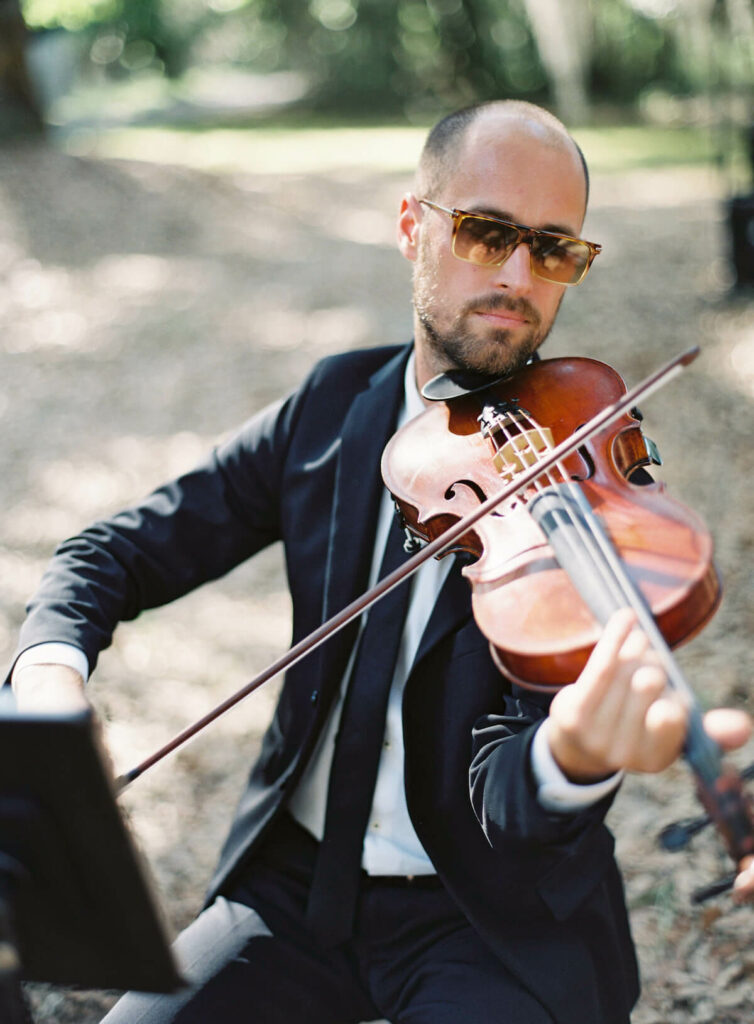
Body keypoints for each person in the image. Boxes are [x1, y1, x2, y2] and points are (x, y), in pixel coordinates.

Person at [8, 100, 754, 1024]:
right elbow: (114, 551)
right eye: (487, 233)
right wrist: (48, 673)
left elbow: (509, 799)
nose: (519, 277)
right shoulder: (329, 410)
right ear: (413, 228)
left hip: (489, 925)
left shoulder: (589, 480)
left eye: (555, 249)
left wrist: (569, 758)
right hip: (293, 889)